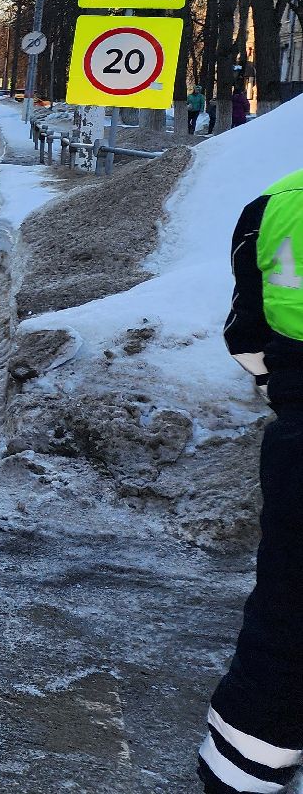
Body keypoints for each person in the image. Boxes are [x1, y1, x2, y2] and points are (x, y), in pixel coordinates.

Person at [201, 166, 303, 794]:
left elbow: (244, 332)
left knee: (286, 615)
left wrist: (280, 390)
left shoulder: (274, 205)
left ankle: (242, 777)